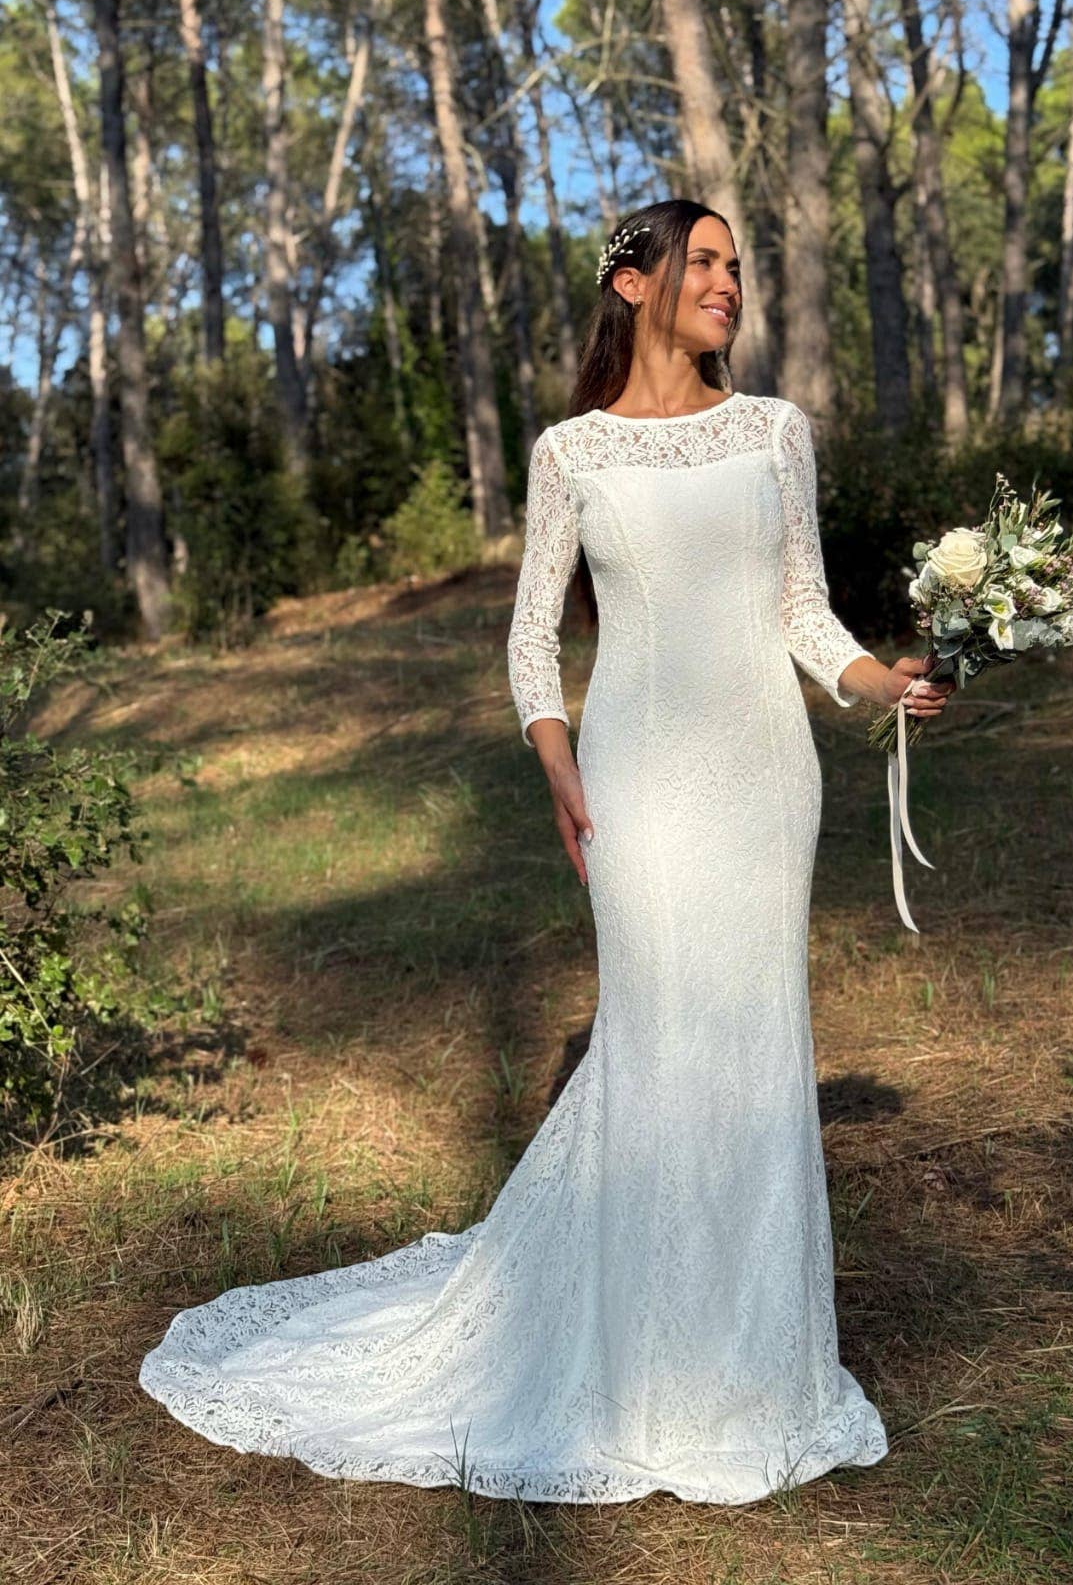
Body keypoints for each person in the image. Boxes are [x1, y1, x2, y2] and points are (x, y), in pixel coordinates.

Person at [138, 198, 954, 1506]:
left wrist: (884, 683)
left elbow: (804, 613)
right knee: (659, 1034)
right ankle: (642, 1374)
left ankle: (752, 1372)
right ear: (633, 283)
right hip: (634, 782)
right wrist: (561, 766)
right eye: (703, 262)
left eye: (736, 267)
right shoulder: (572, 452)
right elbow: (530, 639)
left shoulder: (774, 433)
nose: (728, 284)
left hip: (763, 781)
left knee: (757, 1046)